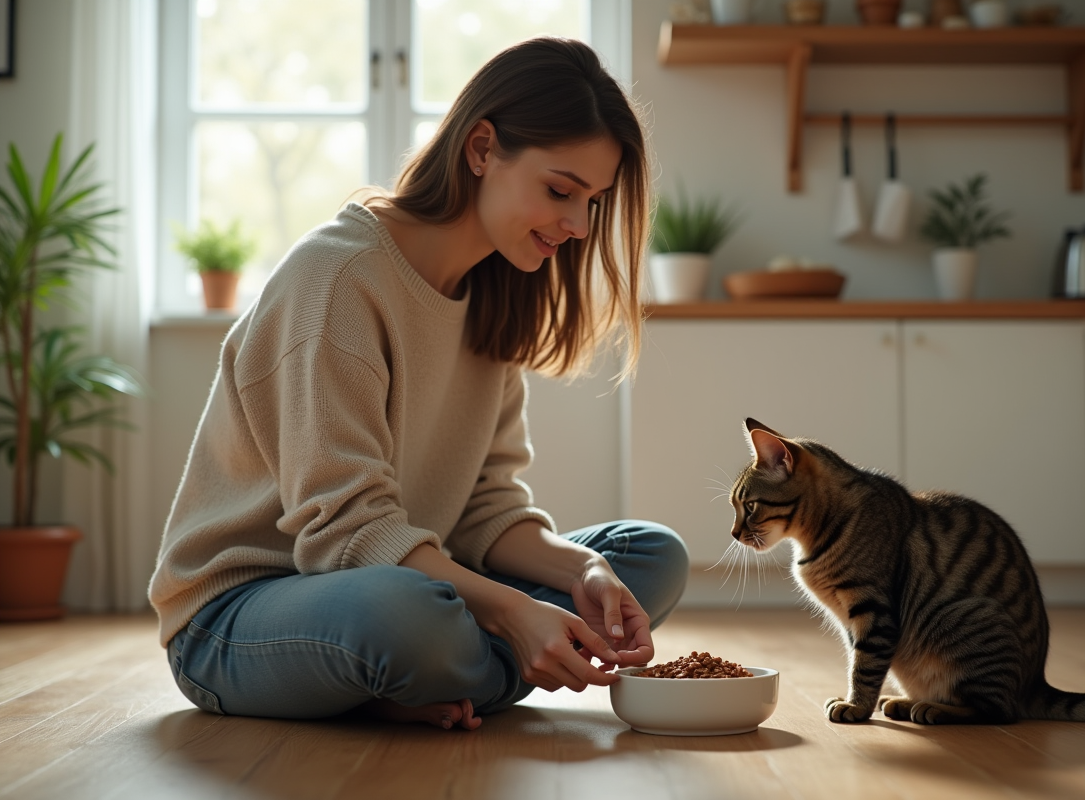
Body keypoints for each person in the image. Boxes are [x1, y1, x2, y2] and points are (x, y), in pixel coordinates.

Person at [148, 37, 689, 731]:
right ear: (481, 148)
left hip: (413, 579)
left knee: (647, 557)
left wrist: (580, 570)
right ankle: (440, 667)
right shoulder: (338, 280)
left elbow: (486, 506)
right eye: (560, 191)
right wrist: (516, 611)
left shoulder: (495, 289)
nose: (579, 226)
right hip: (245, 613)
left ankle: (419, 681)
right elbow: (344, 533)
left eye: (593, 201)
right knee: (407, 618)